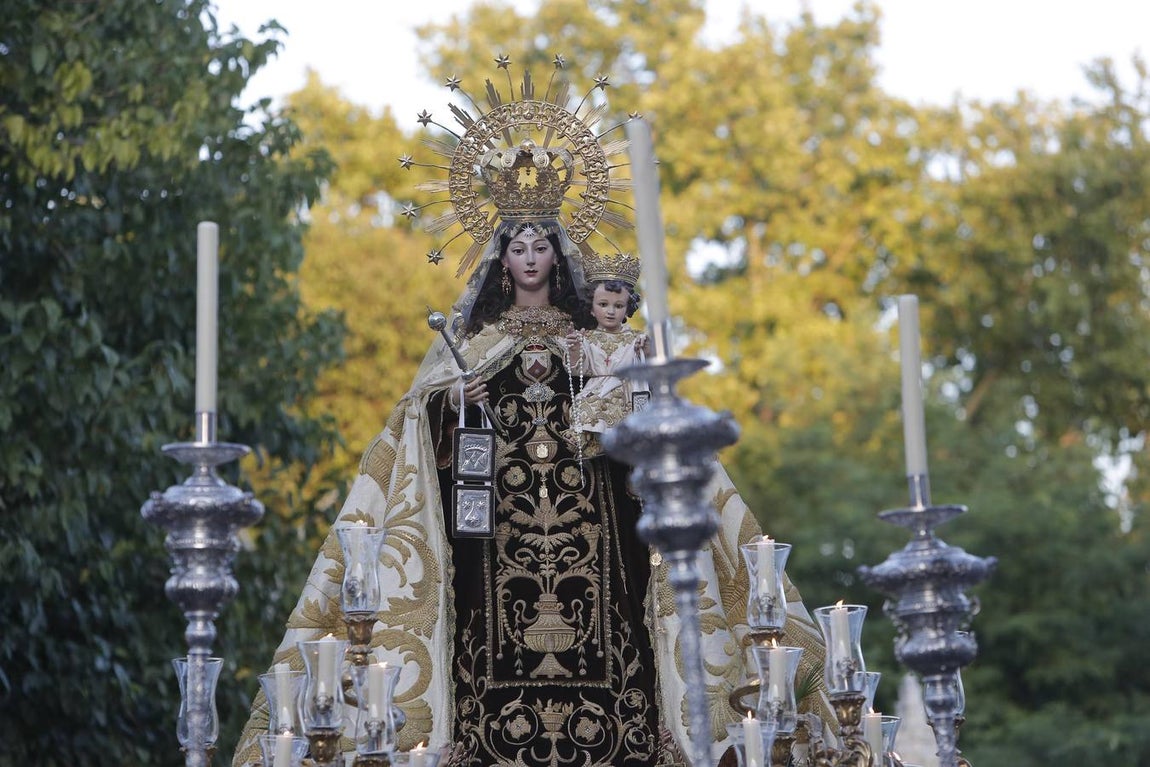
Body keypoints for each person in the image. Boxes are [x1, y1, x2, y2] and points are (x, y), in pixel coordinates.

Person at [232, 59, 827, 767]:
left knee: (621, 634)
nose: (531, 256)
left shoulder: (598, 345)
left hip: (602, 532)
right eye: (518, 245)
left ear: (560, 252)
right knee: (484, 637)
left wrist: (617, 400)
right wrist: (454, 408)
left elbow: (645, 434)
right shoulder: (472, 347)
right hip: (490, 538)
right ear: (500, 256)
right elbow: (417, 444)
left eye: (542, 244)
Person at [564, 253, 650, 458]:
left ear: (628, 308)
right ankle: (591, 441)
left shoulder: (636, 337)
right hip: (595, 390)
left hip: (627, 392)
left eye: (618, 306)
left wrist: (646, 349)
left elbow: (649, 364)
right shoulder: (587, 337)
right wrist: (575, 348)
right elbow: (577, 369)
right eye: (603, 304)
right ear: (592, 309)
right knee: (587, 405)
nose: (610, 311)